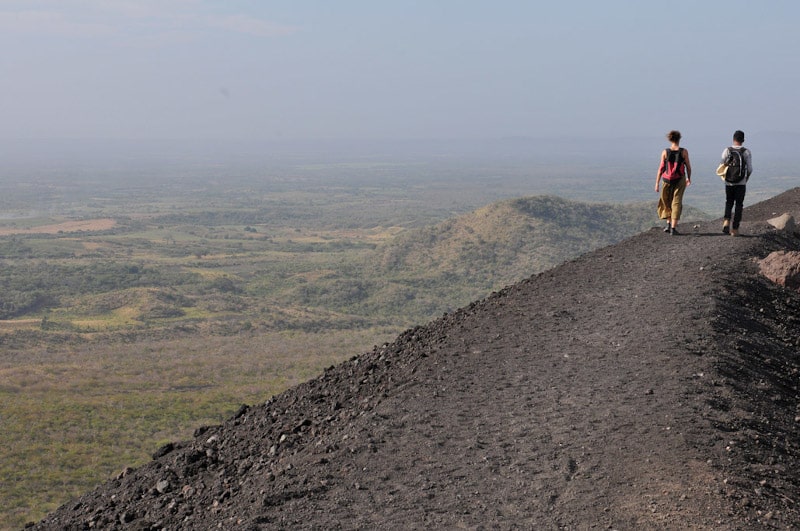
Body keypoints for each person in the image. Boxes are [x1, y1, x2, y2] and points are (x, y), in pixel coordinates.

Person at [655, 130, 692, 235]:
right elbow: (688, 167)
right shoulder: (684, 151)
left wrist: (657, 183)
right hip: (679, 179)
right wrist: (689, 178)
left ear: (670, 139)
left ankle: (668, 224)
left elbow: (661, 169)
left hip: (666, 180)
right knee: (676, 202)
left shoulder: (665, 152)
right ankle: (673, 228)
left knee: (667, 201)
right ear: (679, 139)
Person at [720, 130, 752, 236]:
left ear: (733, 139)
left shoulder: (727, 150)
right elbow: (750, 169)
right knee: (739, 205)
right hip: (741, 183)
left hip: (729, 182)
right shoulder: (746, 152)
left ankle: (726, 222)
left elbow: (722, 164)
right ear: (743, 140)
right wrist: (746, 179)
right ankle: (735, 229)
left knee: (729, 202)